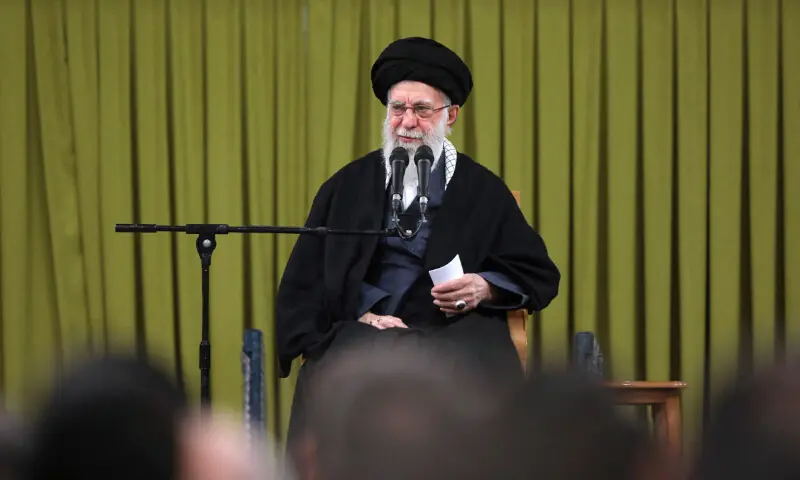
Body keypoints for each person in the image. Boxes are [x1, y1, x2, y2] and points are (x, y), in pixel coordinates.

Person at [276, 36, 561, 451]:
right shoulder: (348, 185)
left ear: (451, 115)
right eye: (398, 109)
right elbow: (309, 277)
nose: (407, 122)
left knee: (479, 358)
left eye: (422, 110)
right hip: (365, 329)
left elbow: (536, 272)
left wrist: (485, 286)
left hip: (451, 331)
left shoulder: (482, 189)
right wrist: (364, 311)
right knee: (338, 353)